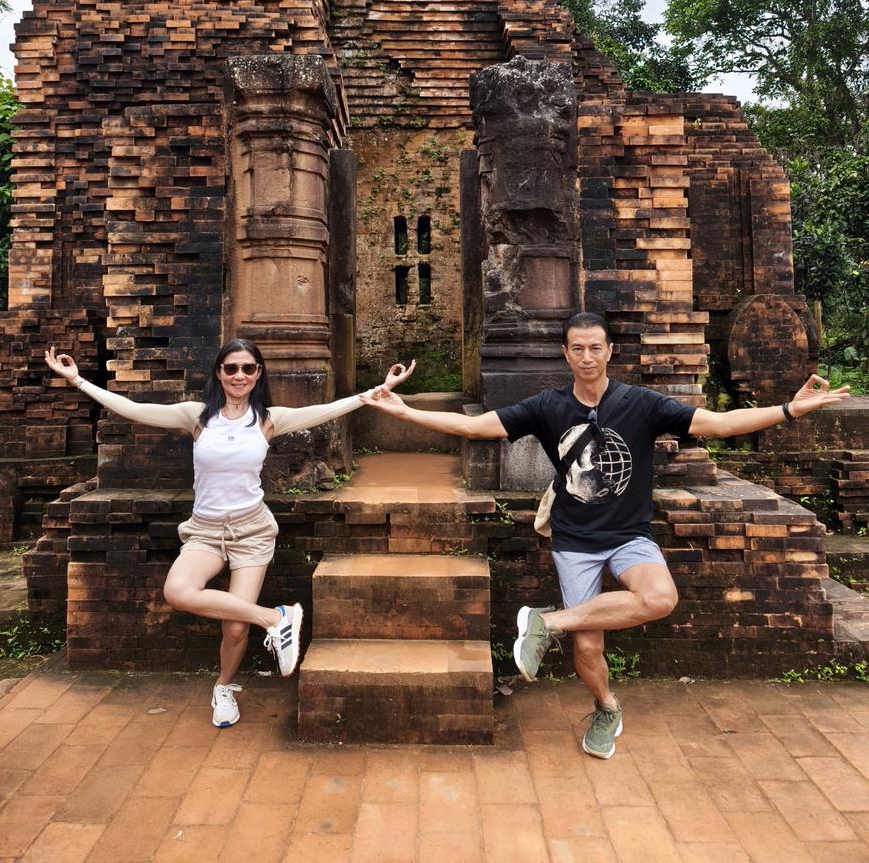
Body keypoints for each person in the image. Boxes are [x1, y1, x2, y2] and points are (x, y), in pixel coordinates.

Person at [363, 312, 850, 759]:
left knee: (660, 598)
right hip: (575, 540)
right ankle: (605, 707)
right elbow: (473, 427)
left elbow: (720, 425)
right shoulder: (547, 407)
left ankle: (548, 623)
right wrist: (404, 411)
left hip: (628, 537)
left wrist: (790, 409)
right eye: (577, 348)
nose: (587, 357)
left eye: (595, 347)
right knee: (589, 647)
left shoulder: (641, 404)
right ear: (566, 354)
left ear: (610, 351)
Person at [44, 339, 411, 728]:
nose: (239, 375)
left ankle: (224, 687)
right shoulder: (197, 416)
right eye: (231, 368)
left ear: (258, 374)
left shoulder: (270, 419)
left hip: (251, 531)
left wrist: (376, 391)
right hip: (205, 531)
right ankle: (276, 618)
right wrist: (78, 380)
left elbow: (325, 411)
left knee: (235, 627)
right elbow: (135, 410)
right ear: (219, 372)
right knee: (178, 592)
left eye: (248, 368)